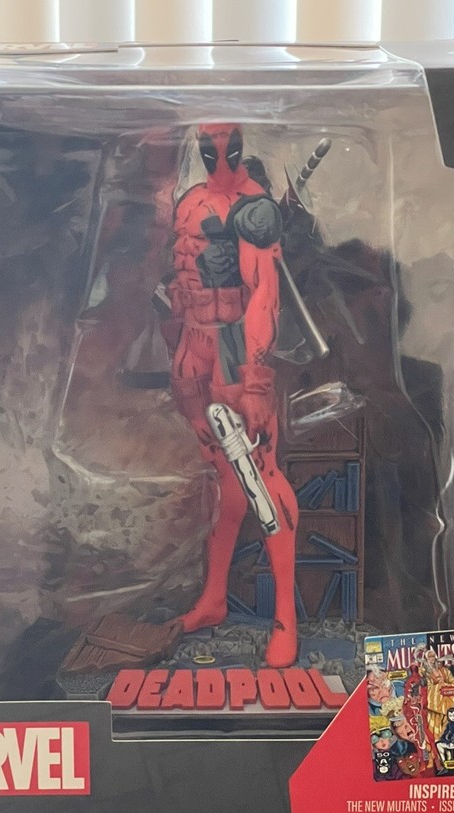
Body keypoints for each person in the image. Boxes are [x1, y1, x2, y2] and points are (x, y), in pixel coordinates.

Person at [166, 124, 298, 668]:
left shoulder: (253, 208)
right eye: (207, 142)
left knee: (262, 477)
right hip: (193, 352)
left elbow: (264, 295)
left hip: (234, 351)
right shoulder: (186, 202)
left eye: (227, 142)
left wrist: (257, 381)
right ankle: (214, 599)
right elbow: (177, 288)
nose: (218, 154)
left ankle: (286, 619)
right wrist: (181, 372)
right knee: (227, 486)